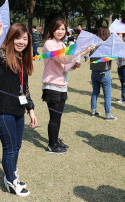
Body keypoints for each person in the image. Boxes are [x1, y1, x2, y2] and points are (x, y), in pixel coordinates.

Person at [0, 21, 37, 196]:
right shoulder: (2, 55)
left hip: (18, 110)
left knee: (17, 145)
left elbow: (24, 88)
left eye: (25, 39)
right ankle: (11, 181)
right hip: (1, 111)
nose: (22, 42)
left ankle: (11, 175)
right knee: (10, 148)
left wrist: (31, 110)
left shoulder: (22, 59)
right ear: (11, 38)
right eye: (18, 38)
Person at [42, 18, 94, 154]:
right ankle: (51, 145)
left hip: (62, 84)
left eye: (63, 29)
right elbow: (61, 59)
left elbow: (65, 67)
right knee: (54, 117)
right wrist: (82, 53)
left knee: (58, 116)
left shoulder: (62, 45)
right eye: (58, 28)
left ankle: (56, 140)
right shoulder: (49, 44)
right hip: (51, 84)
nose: (60, 31)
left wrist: (74, 65)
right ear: (52, 29)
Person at [90, 27, 117, 120]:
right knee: (107, 94)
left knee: (95, 92)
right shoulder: (107, 46)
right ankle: (108, 114)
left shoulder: (93, 45)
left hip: (94, 72)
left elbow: (90, 56)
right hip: (104, 72)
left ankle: (93, 110)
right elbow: (111, 57)